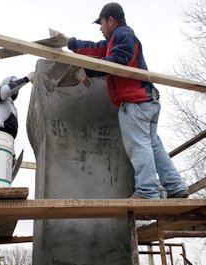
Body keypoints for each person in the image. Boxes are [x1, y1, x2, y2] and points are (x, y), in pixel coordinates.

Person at [65, 2, 188, 199]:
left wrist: (87, 71)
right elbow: (96, 49)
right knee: (153, 145)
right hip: (146, 101)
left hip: (135, 102)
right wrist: (71, 42)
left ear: (110, 20)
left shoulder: (122, 35)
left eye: (101, 23)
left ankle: (147, 191)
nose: (100, 28)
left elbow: (117, 61)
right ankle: (175, 186)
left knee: (139, 145)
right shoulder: (117, 39)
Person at [0, 72, 34, 139]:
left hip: (8, 139)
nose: (15, 87)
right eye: (12, 83)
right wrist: (26, 79)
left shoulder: (12, 107)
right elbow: (5, 91)